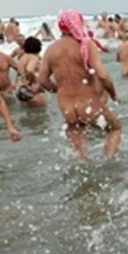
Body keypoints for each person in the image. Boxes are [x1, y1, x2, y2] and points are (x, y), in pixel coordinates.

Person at [38, 9, 122, 160]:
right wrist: (113, 94)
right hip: (89, 103)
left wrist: (58, 89)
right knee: (115, 129)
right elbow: (103, 75)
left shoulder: (50, 50)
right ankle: (108, 164)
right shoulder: (86, 45)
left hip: (67, 107)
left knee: (80, 157)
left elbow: (42, 80)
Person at [15, 37, 47, 106]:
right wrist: (36, 80)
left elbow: (21, 74)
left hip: (20, 89)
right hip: (28, 88)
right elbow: (29, 69)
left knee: (29, 114)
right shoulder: (33, 58)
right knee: (42, 114)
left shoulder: (23, 57)